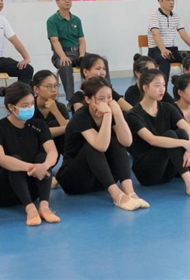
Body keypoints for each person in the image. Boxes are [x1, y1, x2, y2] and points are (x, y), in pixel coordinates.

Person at [57, 77, 145, 211]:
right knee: (93, 146)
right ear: (88, 99)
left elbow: (127, 141)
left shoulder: (113, 111)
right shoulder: (81, 117)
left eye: (109, 98)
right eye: (101, 99)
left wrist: (118, 114)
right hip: (74, 180)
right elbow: (101, 146)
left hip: (101, 178)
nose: (106, 102)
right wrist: (108, 115)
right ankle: (116, 195)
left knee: (117, 141)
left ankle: (129, 191)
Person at [126, 70, 190, 198]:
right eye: (157, 85)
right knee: (170, 134)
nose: (162, 89)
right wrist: (184, 143)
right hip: (147, 173)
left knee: (181, 132)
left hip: (169, 171)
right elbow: (152, 140)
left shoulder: (167, 107)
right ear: (145, 88)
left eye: (163, 85)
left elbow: (189, 129)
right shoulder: (133, 114)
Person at [0, 83, 60, 226]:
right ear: (11, 107)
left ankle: (44, 206)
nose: (30, 108)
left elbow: (52, 151)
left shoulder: (39, 125)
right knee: (14, 161)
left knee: (42, 158)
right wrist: (32, 167)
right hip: (1, 191)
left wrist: (44, 166)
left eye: (32, 104)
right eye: (25, 105)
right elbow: (0, 159)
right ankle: (30, 209)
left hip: (31, 188)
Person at [147, 0, 190, 81]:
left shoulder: (176, 16)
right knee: (164, 60)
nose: (171, 2)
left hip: (171, 50)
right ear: (160, 2)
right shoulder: (154, 15)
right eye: (168, 0)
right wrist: (163, 50)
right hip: (156, 50)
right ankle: (163, 89)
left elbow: (183, 33)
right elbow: (155, 34)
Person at [47, 0, 86, 99]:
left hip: (77, 53)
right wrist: (63, 56)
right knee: (65, 65)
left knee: (100, 61)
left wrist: (82, 55)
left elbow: (81, 40)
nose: (67, 1)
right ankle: (71, 100)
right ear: (57, 2)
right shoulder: (52, 20)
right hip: (62, 54)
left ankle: (104, 93)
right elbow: (55, 41)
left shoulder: (76, 20)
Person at [68, 53, 133, 113]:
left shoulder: (109, 92)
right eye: (98, 69)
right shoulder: (78, 96)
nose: (102, 73)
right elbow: (81, 118)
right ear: (85, 72)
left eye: (104, 69)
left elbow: (131, 110)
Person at [31, 70, 70, 156]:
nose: (54, 90)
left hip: (54, 150)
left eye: (56, 85)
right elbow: (33, 133)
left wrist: (55, 111)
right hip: (34, 150)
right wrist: (66, 128)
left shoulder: (60, 107)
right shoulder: (29, 107)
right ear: (36, 89)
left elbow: (69, 133)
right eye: (49, 86)